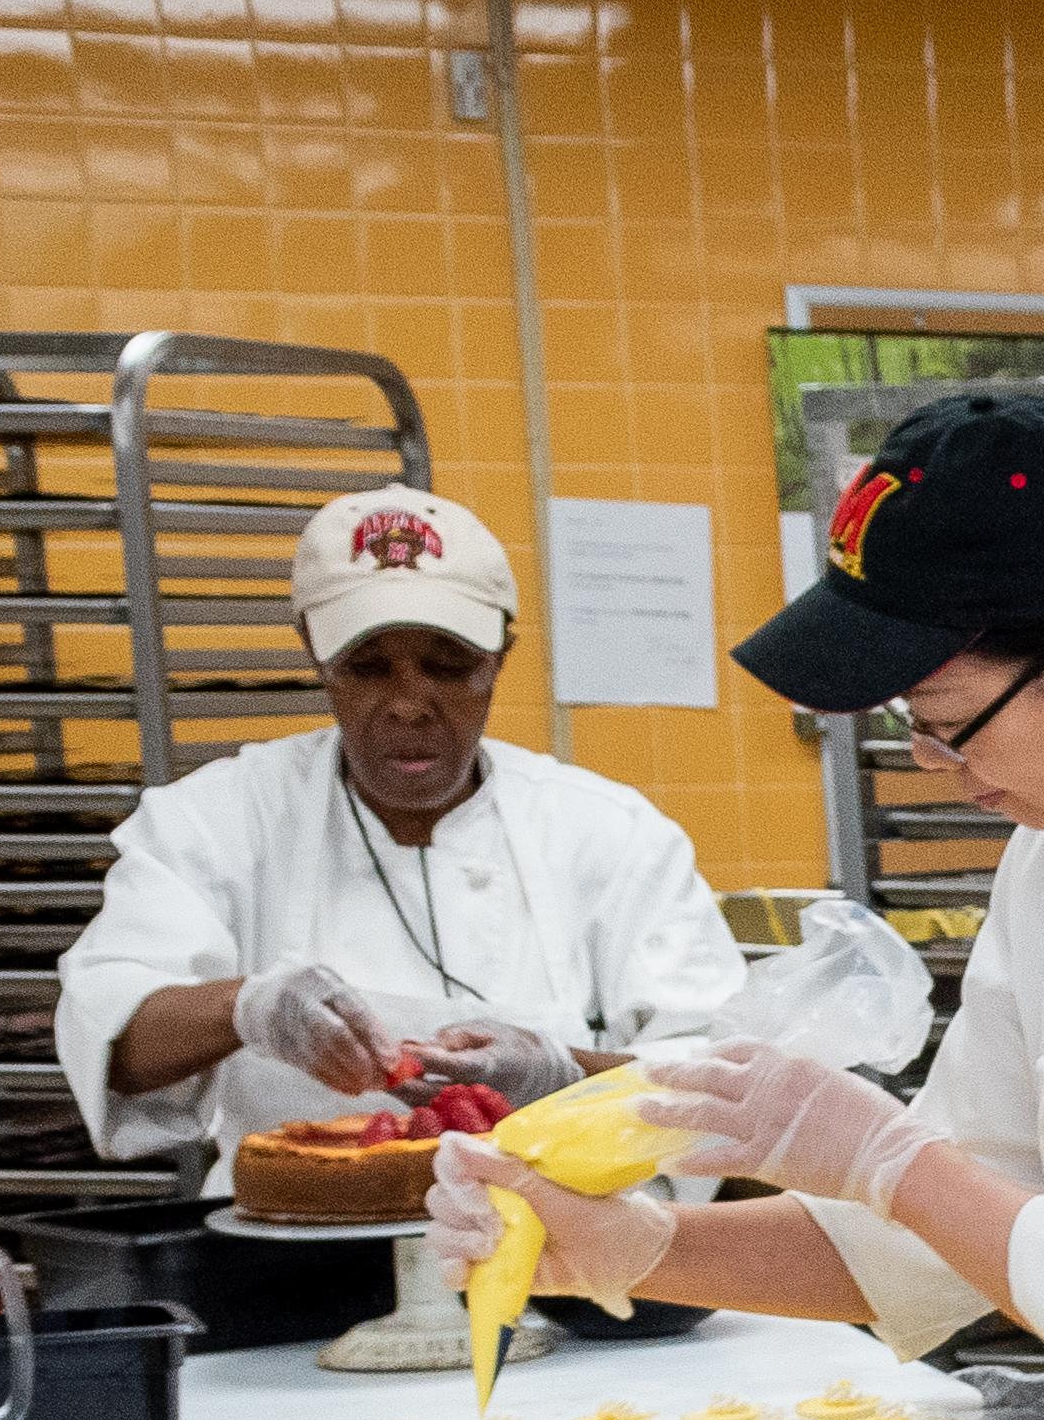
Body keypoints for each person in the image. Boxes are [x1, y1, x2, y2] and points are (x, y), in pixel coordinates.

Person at [414, 391, 1044, 1414]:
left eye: (949, 724)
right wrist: (637, 1249)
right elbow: (949, 1232)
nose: (934, 765)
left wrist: (886, 1158)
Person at [60, 486, 742, 1159]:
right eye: (368, 667)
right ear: (315, 656)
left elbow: (726, 1083)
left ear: (500, 656)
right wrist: (251, 1009)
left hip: (567, 1247)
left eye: (449, 666)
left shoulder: (611, 835)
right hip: (291, 1255)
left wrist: (564, 1074)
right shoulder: (217, 821)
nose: (409, 704)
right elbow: (113, 1035)